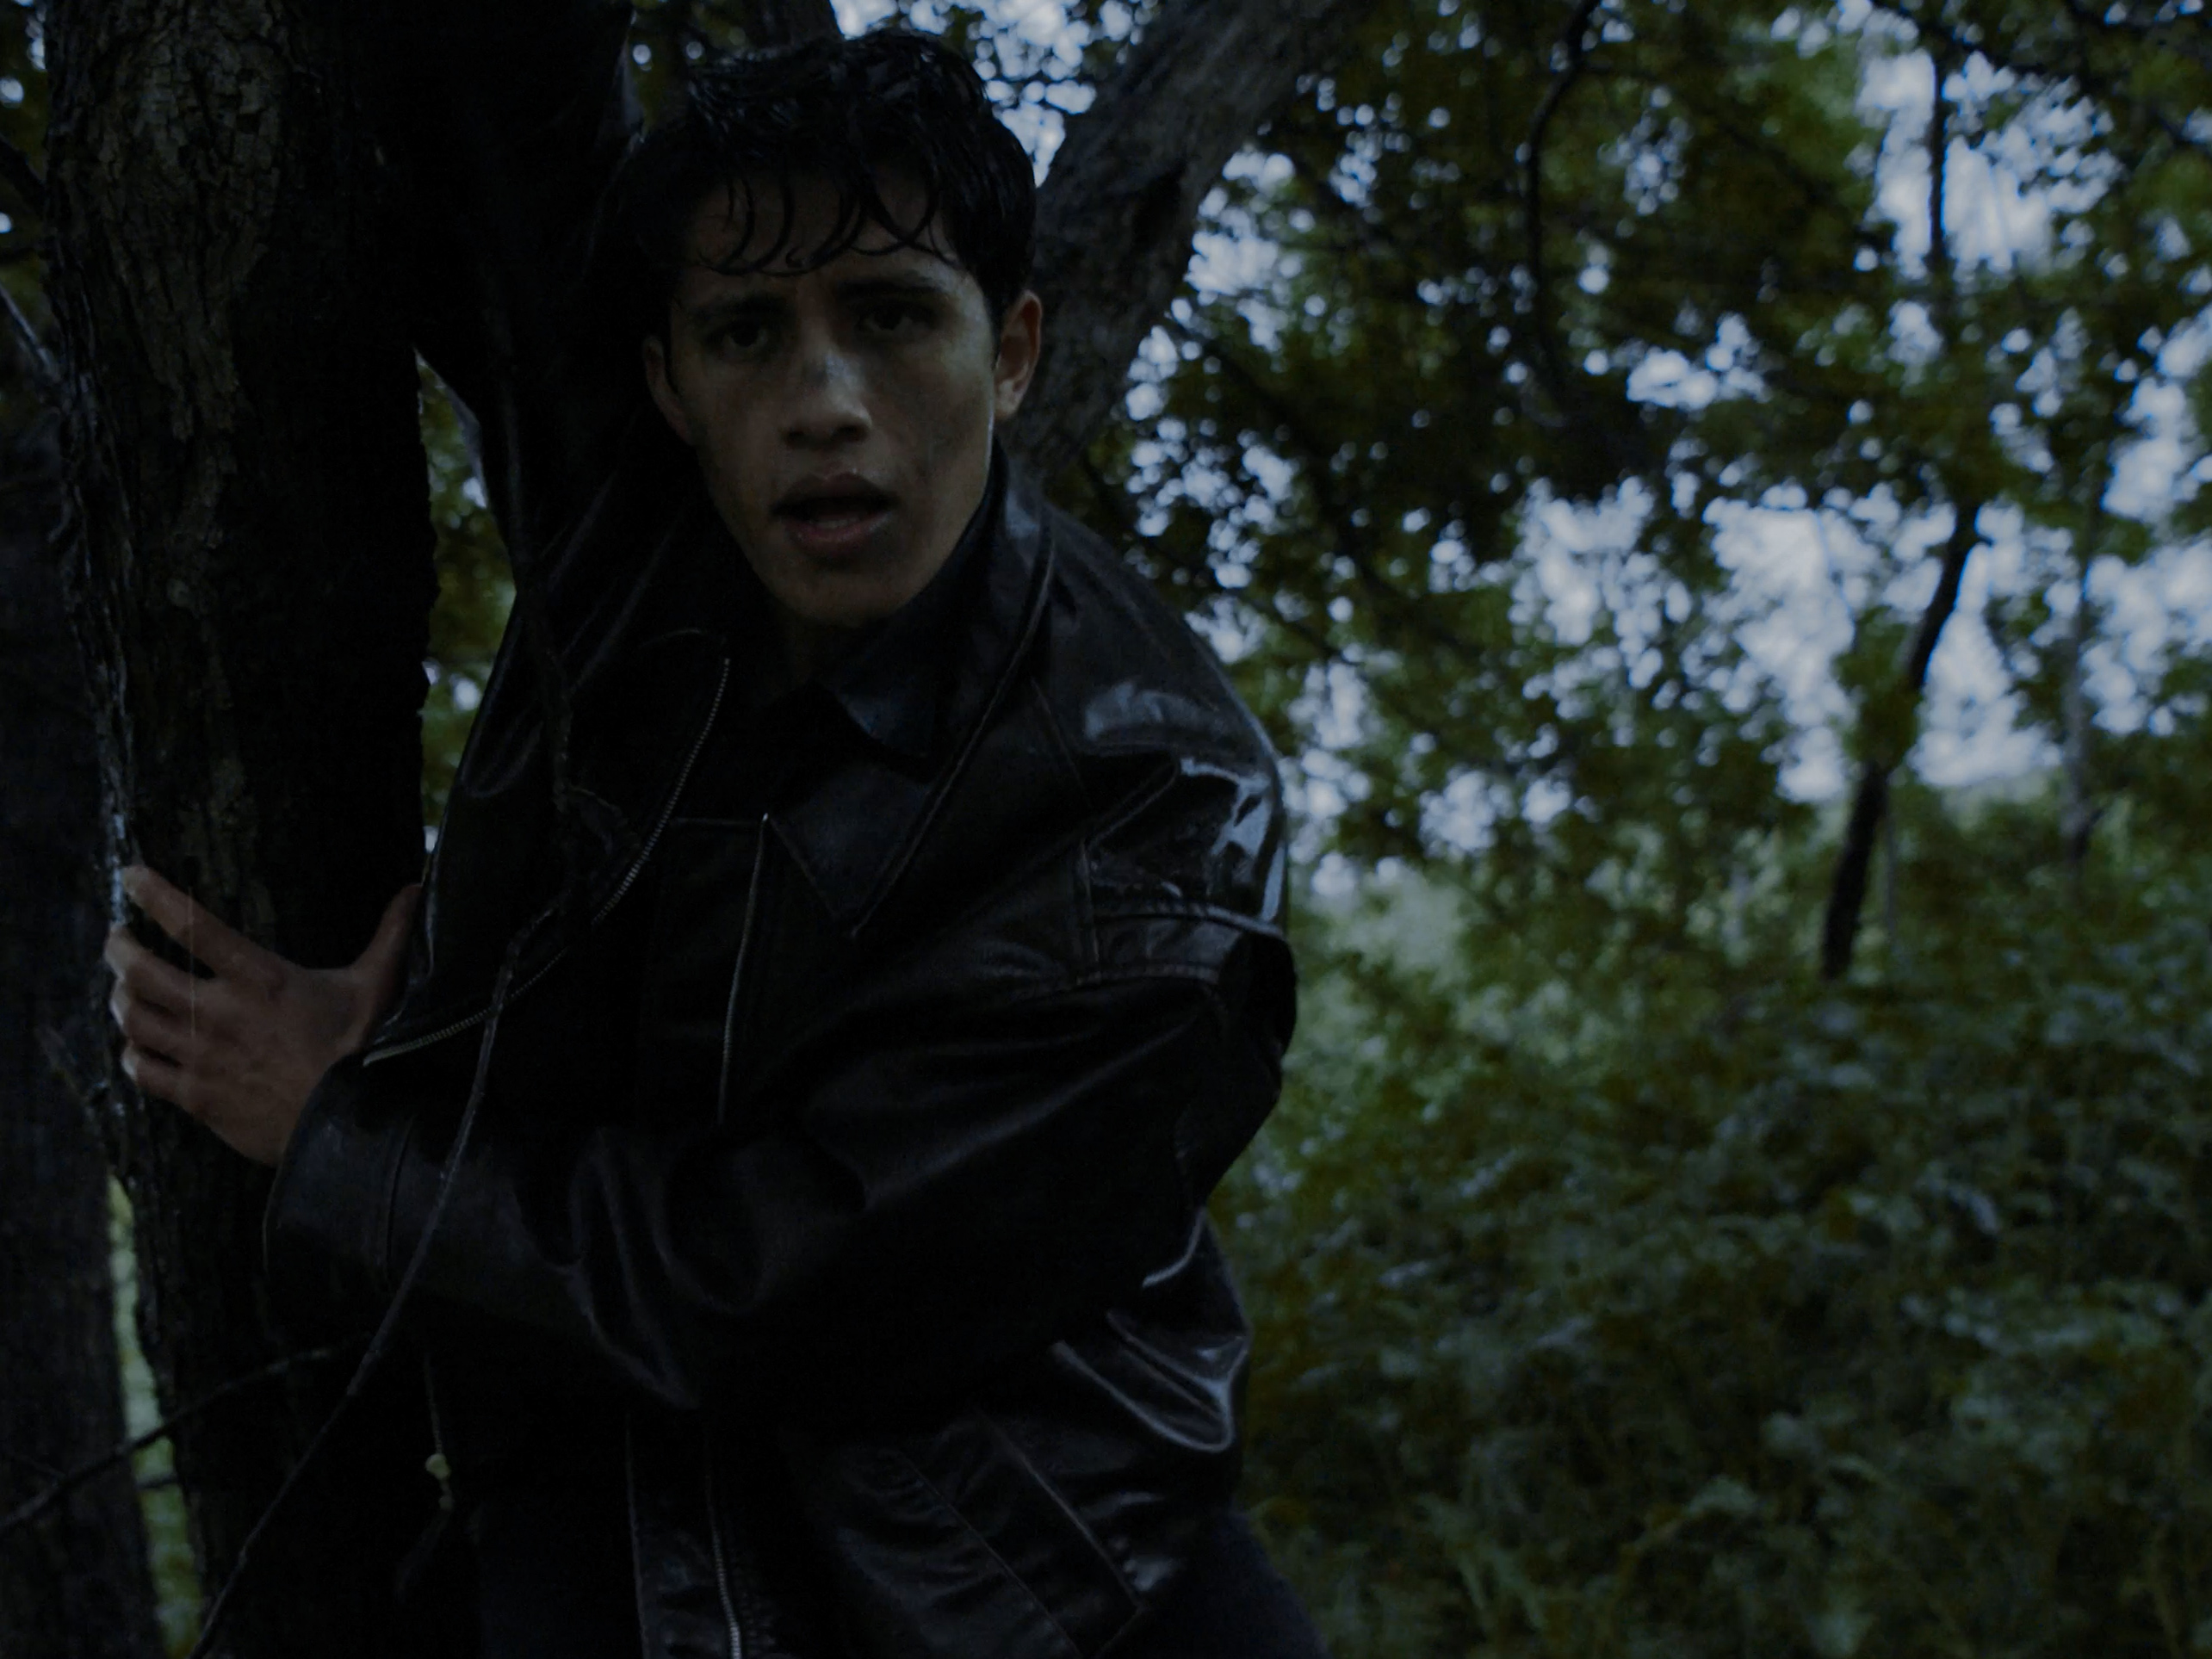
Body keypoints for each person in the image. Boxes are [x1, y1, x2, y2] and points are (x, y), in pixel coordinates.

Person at [103, 28, 1322, 1658]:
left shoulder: (1154, 809)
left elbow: (784, 1293)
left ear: (1013, 350)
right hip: (604, 1514)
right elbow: (512, 96)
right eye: (748, 334)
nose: (822, 402)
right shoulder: (644, 512)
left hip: (1007, 1590)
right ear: (668, 381)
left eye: (893, 317)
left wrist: (341, 1136)